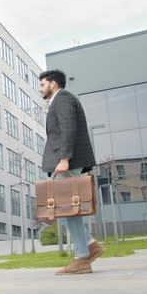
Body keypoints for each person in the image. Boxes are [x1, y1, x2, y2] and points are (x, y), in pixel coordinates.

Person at [39, 70, 105, 275]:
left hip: (67, 161)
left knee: (68, 208)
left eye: (42, 85)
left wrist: (65, 159)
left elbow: (69, 129)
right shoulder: (60, 101)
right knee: (66, 209)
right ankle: (89, 246)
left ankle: (82, 257)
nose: (40, 89)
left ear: (54, 84)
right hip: (65, 160)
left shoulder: (63, 99)